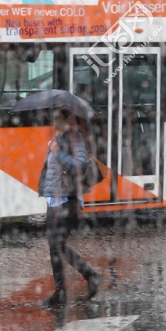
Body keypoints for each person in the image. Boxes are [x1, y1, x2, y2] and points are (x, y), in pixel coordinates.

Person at [37, 109, 103, 307]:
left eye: (57, 117)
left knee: (56, 245)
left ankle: (75, 284)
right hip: (54, 200)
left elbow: (80, 166)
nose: (53, 121)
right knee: (55, 246)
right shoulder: (58, 138)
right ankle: (72, 286)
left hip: (67, 201)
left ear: (67, 119)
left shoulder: (76, 139)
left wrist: (58, 153)